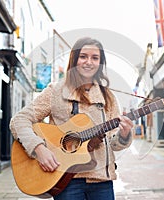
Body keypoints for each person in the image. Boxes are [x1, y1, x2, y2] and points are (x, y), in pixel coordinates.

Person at [9, 37, 134, 200]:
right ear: (74, 59)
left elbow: (113, 144)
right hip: (66, 179)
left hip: (102, 181)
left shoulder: (108, 97)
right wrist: (38, 149)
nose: (89, 62)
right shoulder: (55, 91)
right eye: (83, 56)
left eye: (95, 58)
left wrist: (124, 135)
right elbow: (19, 120)